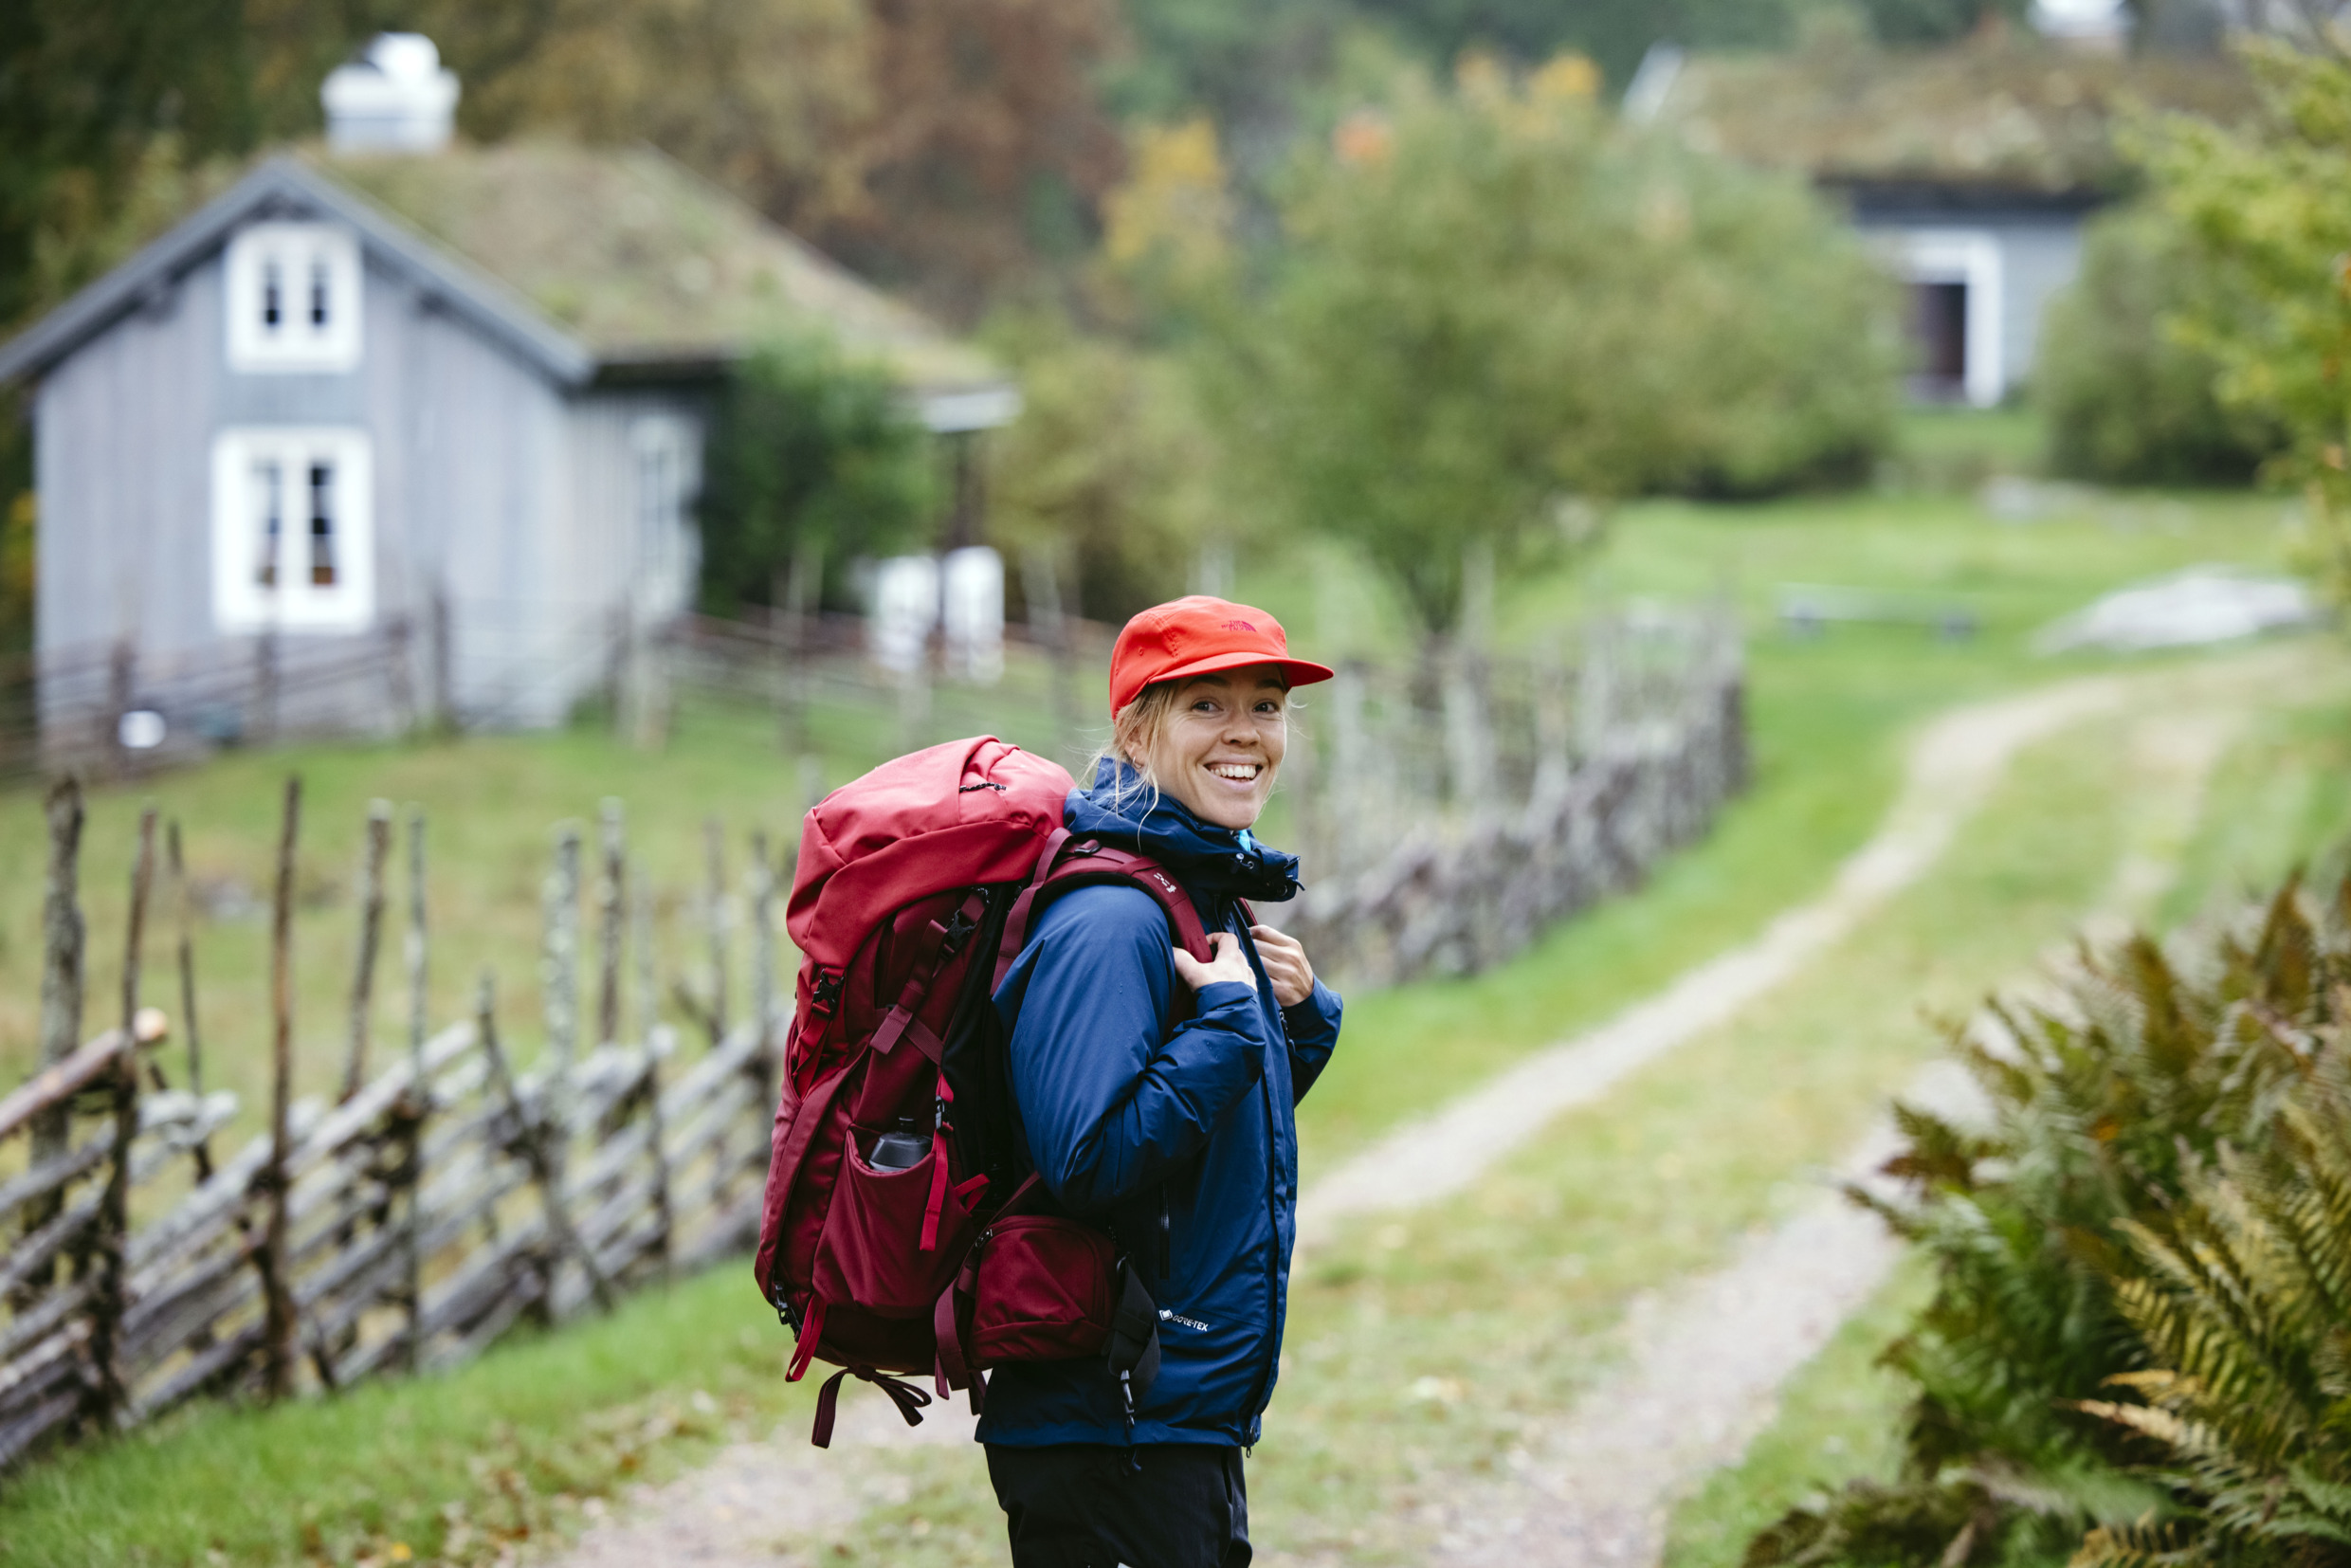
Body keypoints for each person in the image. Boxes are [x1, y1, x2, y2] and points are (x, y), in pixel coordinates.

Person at [983, 595, 1344, 1568]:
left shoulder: (1196, 892)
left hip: (1171, 1407)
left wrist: (1295, 1024)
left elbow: (1205, 1148)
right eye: (1205, 707)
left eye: (1264, 706)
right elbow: (1086, 1158)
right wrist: (1228, 1026)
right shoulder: (1109, 918)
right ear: (1134, 732)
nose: (1245, 735)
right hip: (1110, 1416)